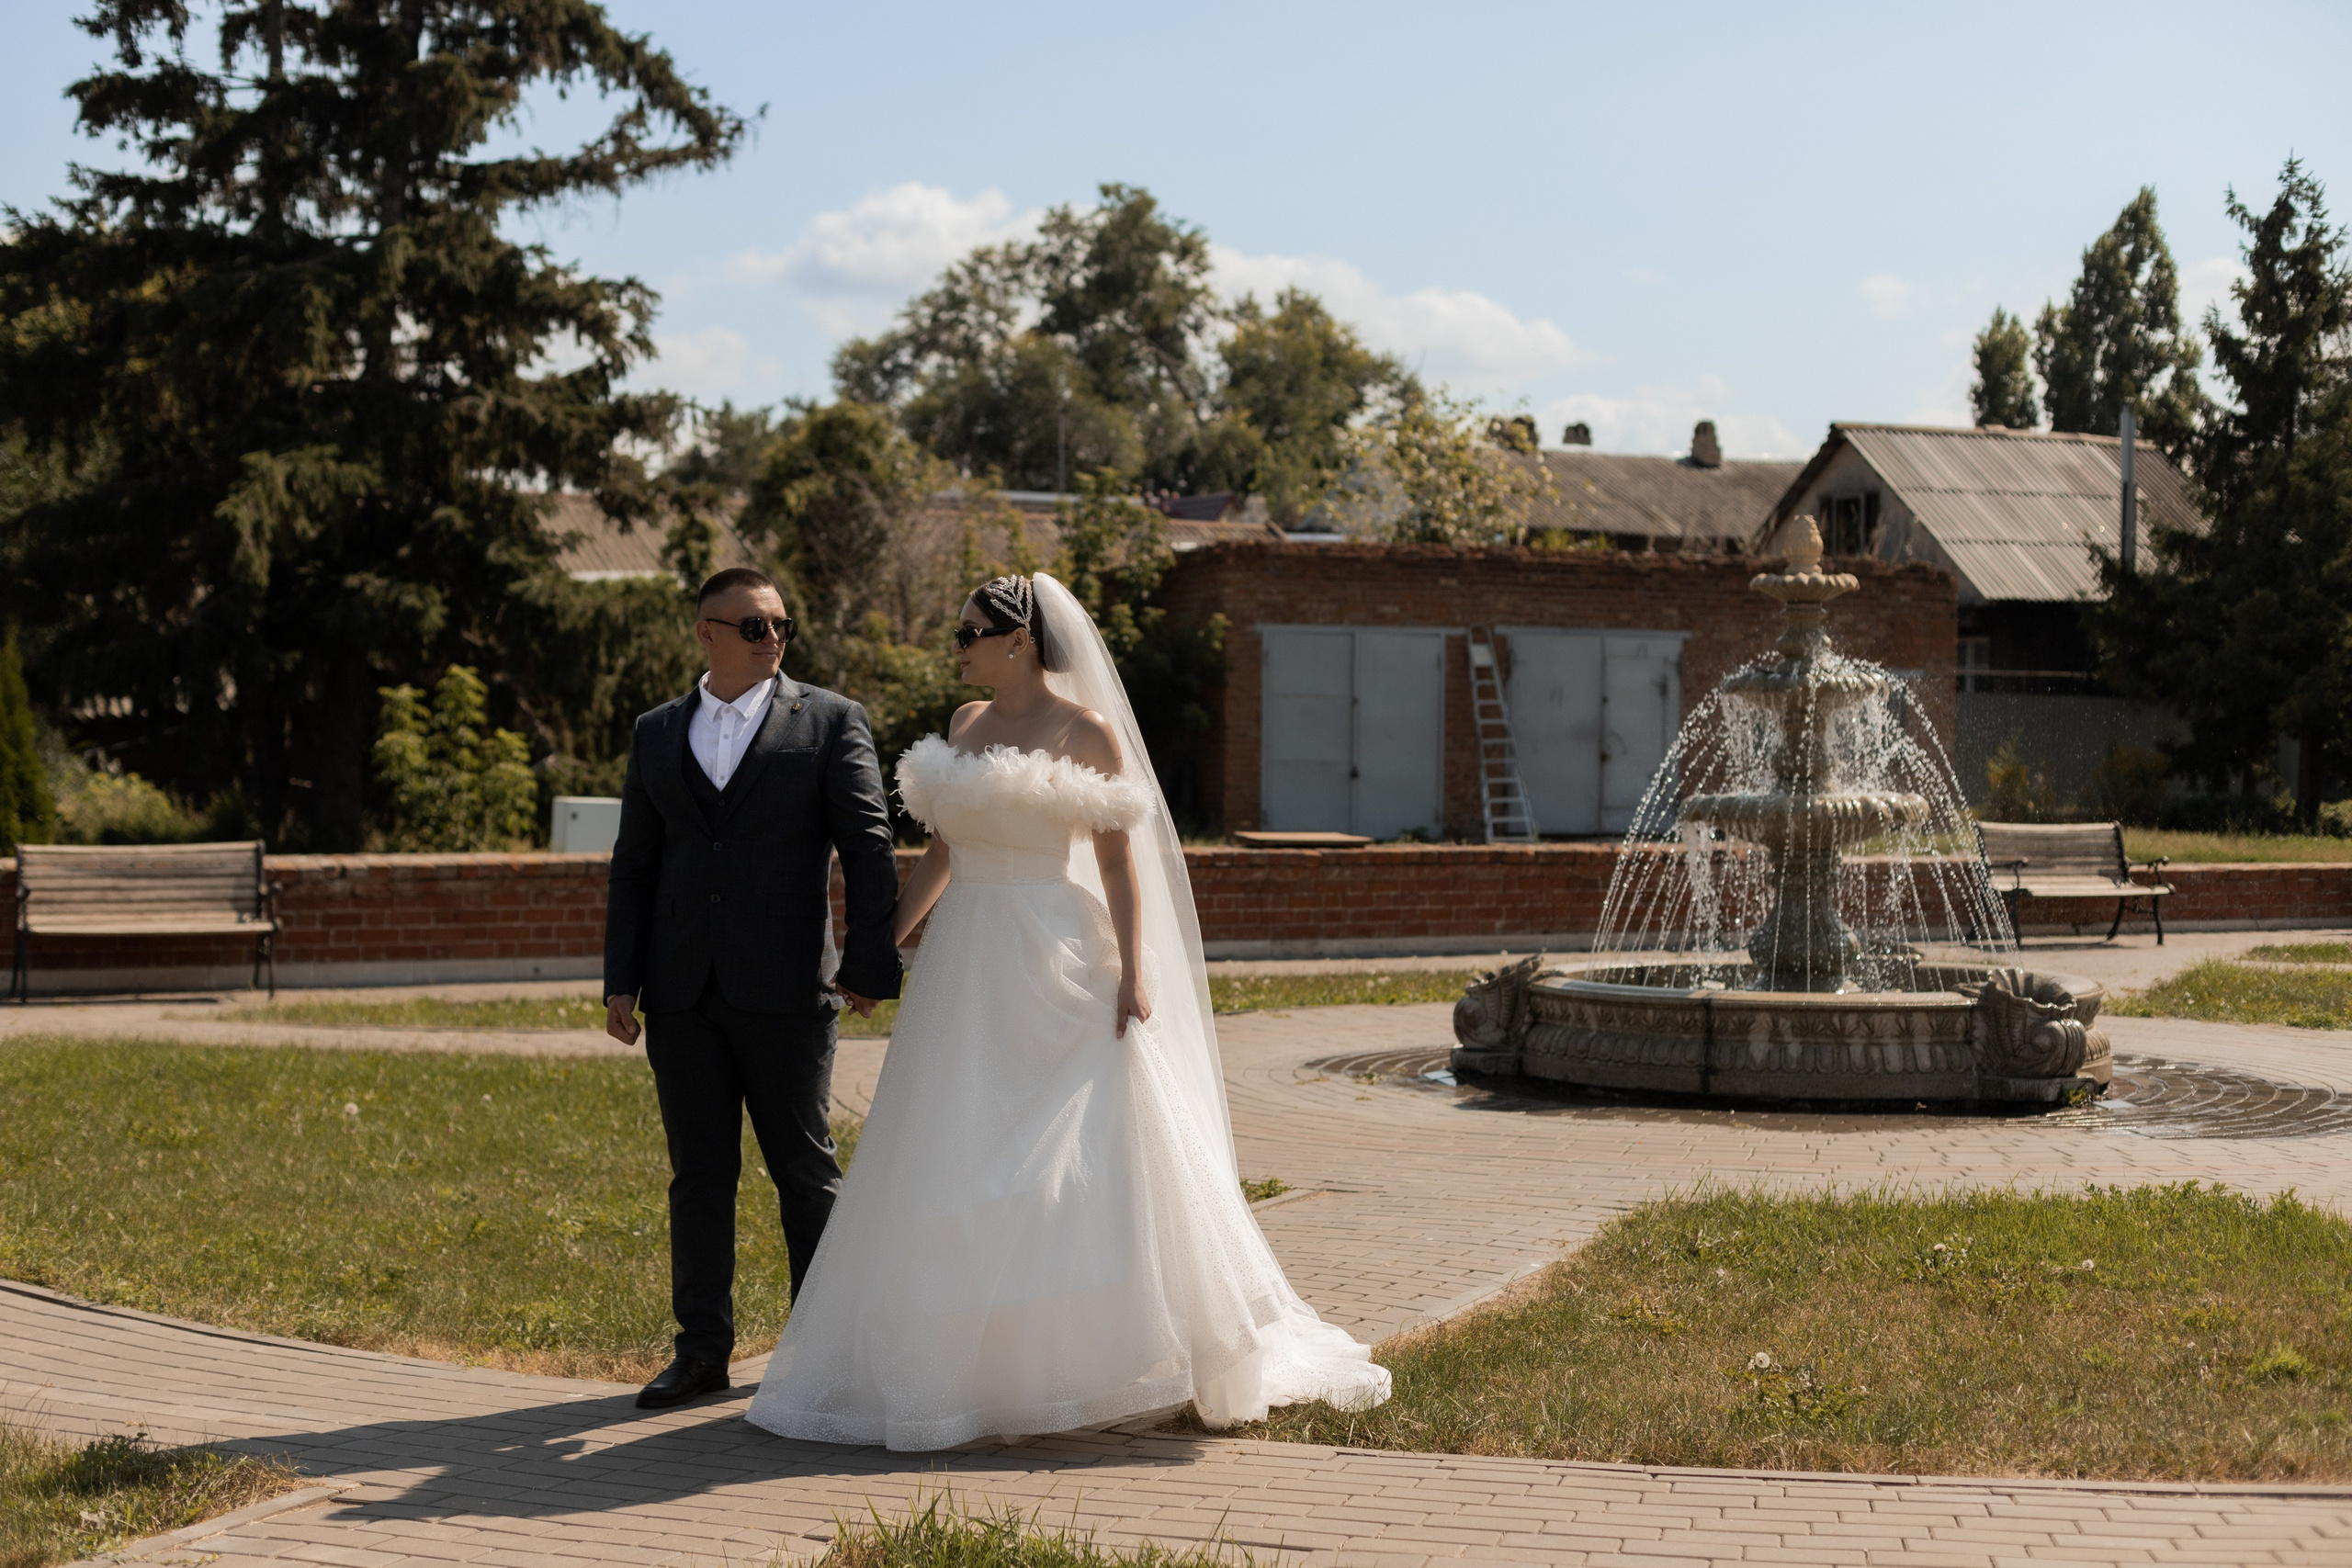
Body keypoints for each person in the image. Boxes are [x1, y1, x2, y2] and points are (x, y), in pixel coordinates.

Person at [746, 572, 1389, 1450]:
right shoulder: (966, 724)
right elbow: (942, 853)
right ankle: (972, 1365)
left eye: (969, 633)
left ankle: (1088, 1353)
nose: (957, 647)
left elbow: (1119, 862)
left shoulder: (1086, 732)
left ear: (1018, 639)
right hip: (966, 962)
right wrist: (879, 944)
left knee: (1065, 1155)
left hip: (1057, 953)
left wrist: (1132, 969)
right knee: (954, 1145)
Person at [603, 567, 901, 1411]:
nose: (772, 638)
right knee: (699, 1176)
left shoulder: (831, 720)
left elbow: (869, 845)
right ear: (707, 632)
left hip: (788, 988)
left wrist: (869, 964)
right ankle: (701, 1353)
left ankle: (821, 1360)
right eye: (754, 625)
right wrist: (621, 978)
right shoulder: (657, 730)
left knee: (805, 1173)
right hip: (681, 990)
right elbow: (634, 864)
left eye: (781, 625)